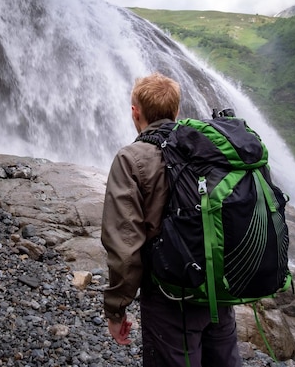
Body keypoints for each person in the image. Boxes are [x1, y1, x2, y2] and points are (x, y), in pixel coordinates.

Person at [101, 72, 242, 367]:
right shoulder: (205, 148)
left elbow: (125, 246)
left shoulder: (131, 159)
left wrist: (116, 310)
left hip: (170, 297)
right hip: (218, 288)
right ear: (177, 111)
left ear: (135, 112)